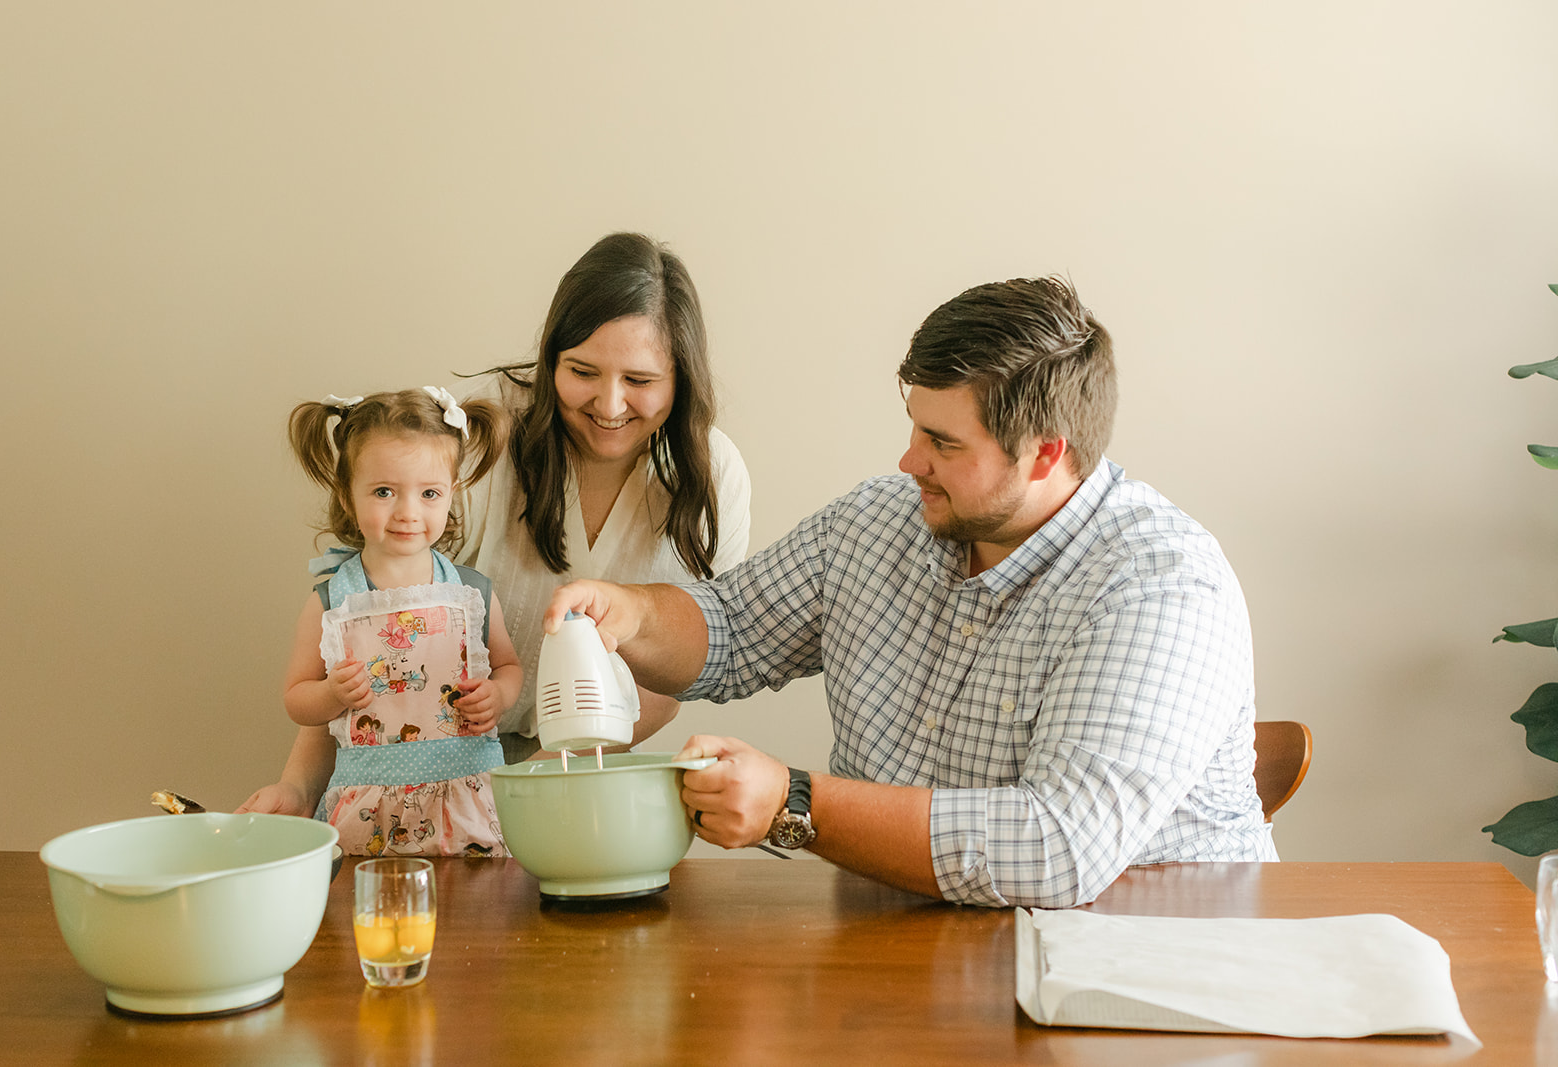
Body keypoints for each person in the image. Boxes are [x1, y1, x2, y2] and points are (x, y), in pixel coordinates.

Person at [544, 276, 1275, 909]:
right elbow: (730, 628)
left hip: (1145, 985)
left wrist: (793, 802)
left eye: (943, 442)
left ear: (1048, 452)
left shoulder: (1162, 586)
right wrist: (632, 611)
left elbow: (1054, 849)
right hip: (906, 951)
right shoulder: (879, 520)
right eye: (914, 428)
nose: (909, 459)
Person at [238, 232, 751, 815]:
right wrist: (299, 787)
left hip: (588, 763)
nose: (610, 406)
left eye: (640, 381)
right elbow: (366, 623)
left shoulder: (713, 476)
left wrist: (524, 788)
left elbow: (672, 677)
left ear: (682, 379)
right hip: (429, 764)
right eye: (582, 371)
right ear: (550, 356)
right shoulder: (480, 440)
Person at [281, 387, 523, 856]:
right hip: (367, 807)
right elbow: (296, 698)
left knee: (479, 919)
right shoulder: (332, 602)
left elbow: (509, 667)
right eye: (384, 491)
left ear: (451, 494)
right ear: (348, 496)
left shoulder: (470, 593)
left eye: (429, 493)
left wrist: (499, 695)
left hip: (468, 798)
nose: (409, 512)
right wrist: (331, 695)